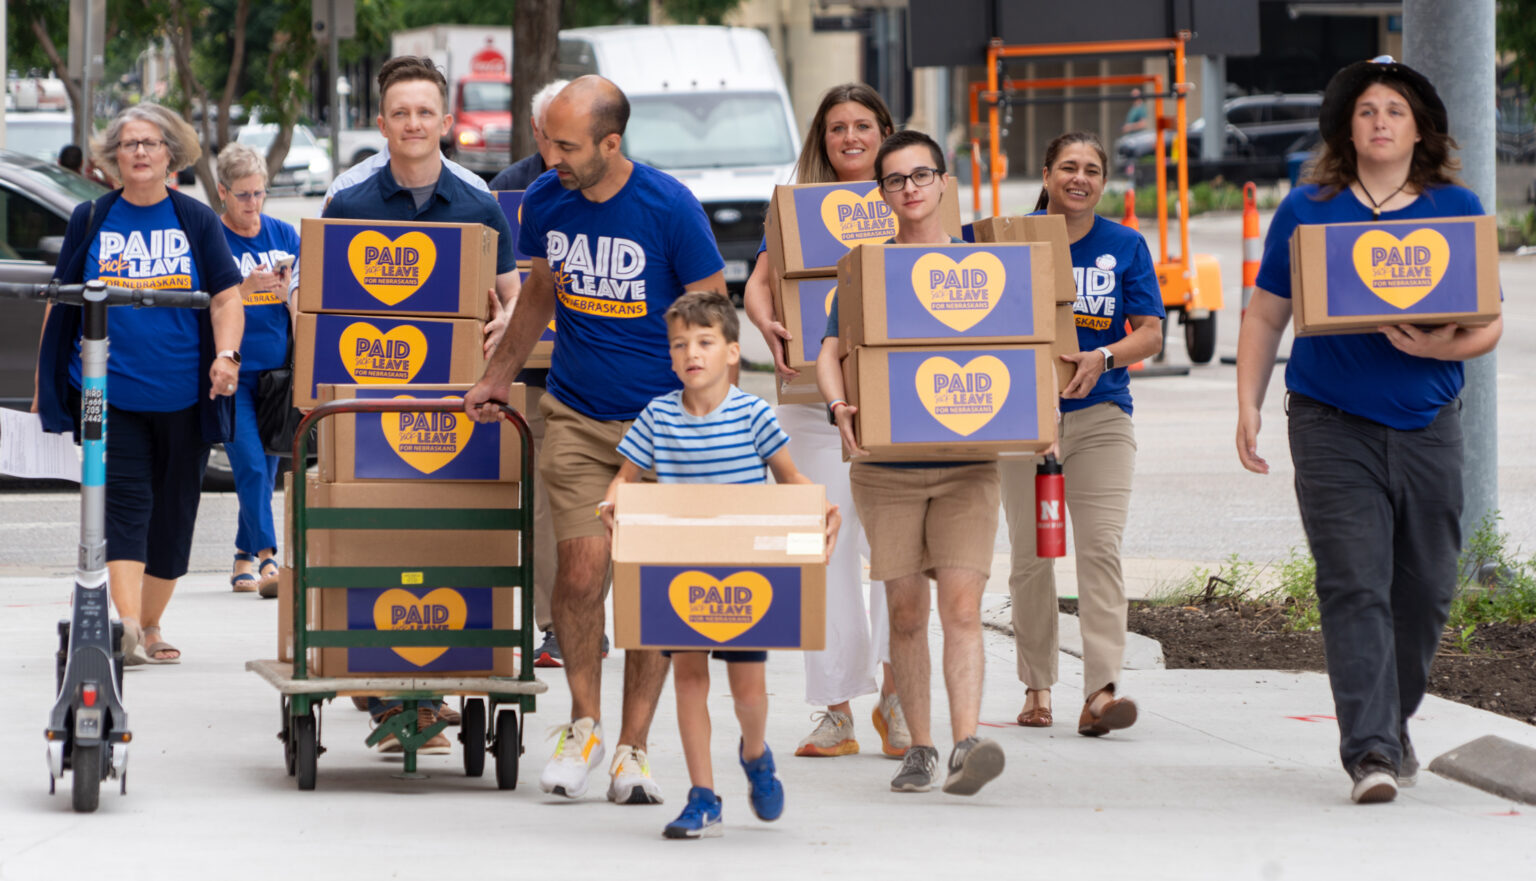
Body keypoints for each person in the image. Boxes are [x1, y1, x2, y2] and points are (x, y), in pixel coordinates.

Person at [1236, 56, 1502, 804]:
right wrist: (1247, 401)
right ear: (1346, 127)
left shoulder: (1456, 208)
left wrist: (1440, 346)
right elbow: (1265, 313)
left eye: (1394, 110)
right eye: (1367, 111)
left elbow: (1488, 324)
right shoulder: (1309, 208)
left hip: (1428, 423)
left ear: (1420, 129)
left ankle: (1393, 717)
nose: (1380, 121)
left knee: (1426, 590)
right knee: (1353, 584)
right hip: (1329, 423)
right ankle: (1372, 751)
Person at [463, 75, 728, 805]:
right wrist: (497, 375)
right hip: (577, 413)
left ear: (612, 144)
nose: (550, 155)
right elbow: (541, 295)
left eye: (568, 144)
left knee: (649, 591)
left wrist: (702, 420)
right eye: (546, 138)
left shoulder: (670, 208)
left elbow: (712, 314)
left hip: (665, 427)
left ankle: (634, 750)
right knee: (580, 575)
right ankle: (583, 721)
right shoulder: (547, 199)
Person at [324, 56, 520, 755]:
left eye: (424, 112)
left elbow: (513, 294)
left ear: (445, 121)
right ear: (382, 124)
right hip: (367, 409)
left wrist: (504, 321)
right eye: (399, 112)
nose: (412, 123)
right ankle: (387, 692)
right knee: (376, 543)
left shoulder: (477, 205)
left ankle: (425, 694)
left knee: (438, 543)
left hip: (452, 411)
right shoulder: (348, 205)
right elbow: (319, 302)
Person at [600, 291, 839, 838]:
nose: (693, 353)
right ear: (670, 356)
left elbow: (789, 477)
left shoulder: (752, 414)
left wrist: (818, 505)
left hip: (745, 568)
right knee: (688, 678)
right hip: (679, 566)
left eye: (705, 342)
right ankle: (702, 794)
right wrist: (614, 503)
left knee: (748, 691)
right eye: (681, 344)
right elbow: (624, 480)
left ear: (732, 352)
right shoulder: (658, 416)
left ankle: (755, 754)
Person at [815, 129, 1005, 796]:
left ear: (944, 183)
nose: (911, 188)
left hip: (968, 462)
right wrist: (840, 408)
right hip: (886, 468)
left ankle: (966, 742)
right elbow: (830, 350)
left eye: (922, 175)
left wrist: (1040, 421)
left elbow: (1022, 346)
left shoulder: (985, 265)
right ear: (884, 194)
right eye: (896, 180)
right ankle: (919, 745)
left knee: (961, 604)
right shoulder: (865, 268)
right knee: (904, 611)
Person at [34, 103, 245, 665]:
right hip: (110, 394)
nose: (141, 153)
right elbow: (61, 307)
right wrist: (45, 386)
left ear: (171, 153)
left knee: (174, 514)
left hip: (184, 396)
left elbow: (227, 297)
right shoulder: (92, 218)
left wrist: (227, 355)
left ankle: (152, 625)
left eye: (151, 143)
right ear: (113, 157)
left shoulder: (195, 220)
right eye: (129, 145)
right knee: (124, 506)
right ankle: (126, 627)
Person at [741, 83, 910, 760]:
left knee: (897, 554)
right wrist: (763, 320)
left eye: (862, 125)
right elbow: (761, 279)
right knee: (823, 551)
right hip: (812, 400)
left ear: (885, 131)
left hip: (900, 398)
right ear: (822, 138)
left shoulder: (913, 194)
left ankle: (898, 697)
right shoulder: (798, 206)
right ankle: (835, 709)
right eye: (836, 127)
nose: (849, 138)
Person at [997, 132, 1165, 736]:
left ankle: (1100, 693)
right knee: (1031, 557)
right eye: (1067, 166)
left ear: (1103, 181)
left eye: (1092, 169)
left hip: (1100, 416)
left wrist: (1106, 356)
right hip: (1023, 421)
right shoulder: (1009, 239)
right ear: (1045, 174)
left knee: (1100, 550)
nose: (1080, 178)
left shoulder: (1123, 244)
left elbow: (1150, 331)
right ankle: (1036, 687)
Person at [488, 76, 581, 668]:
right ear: (537, 133)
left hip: (608, 375)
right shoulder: (506, 192)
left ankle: (588, 614)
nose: (563, 150)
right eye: (555, 137)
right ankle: (556, 624)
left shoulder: (631, 187)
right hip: (534, 379)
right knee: (547, 505)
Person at [214, 143, 298, 598]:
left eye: (259, 194)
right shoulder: (214, 238)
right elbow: (204, 304)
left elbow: (310, 295)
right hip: (233, 372)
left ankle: (241, 557)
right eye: (243, 195)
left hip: (276, 378)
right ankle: (269, 559)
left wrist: (290, 295)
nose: (253, 204)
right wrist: (239, 292)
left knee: (264, 476)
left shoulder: (285, 235)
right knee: (248, 466)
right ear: (223, 193)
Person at [489, 79, 570, 192]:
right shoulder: (507, 186)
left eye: (568, 138)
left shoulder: (600, 186)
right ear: (535, 128)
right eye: (548, 135)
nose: (554, 156)